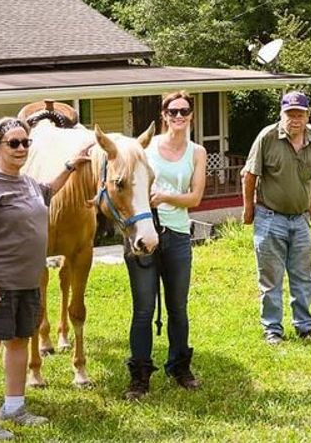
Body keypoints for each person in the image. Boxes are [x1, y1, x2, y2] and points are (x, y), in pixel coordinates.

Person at [0, 117, 90, 439]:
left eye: (25, 142)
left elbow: (48, 191)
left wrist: (70, 166)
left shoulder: (27, 182)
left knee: (18, 342)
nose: (21, 148)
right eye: (13, 143)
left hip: (26, 282)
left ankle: (14, 407)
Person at [125, 91, 207, 399]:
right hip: (145, 233)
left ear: (191, 115)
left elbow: (195, 198)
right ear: (164, 115)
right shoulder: (146, 148)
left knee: (178, 308)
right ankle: (140, 376)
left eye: (184, 111)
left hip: (177, 234)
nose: (179, 116)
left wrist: (165, 197)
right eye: (173, 111)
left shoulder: (197, 152)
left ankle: (180, 367)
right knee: (143, 309)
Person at [242, 91, 311, 345]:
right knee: (271, 278)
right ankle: (273, 329)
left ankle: (305, 327)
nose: (295, 119)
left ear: (307, 115)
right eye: (290, 114)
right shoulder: (267, 137)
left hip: (300, 219)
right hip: (270, 217)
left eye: (300, 114)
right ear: (282, 115)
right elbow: (249, 175)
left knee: (303, 276)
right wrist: (248, 210)